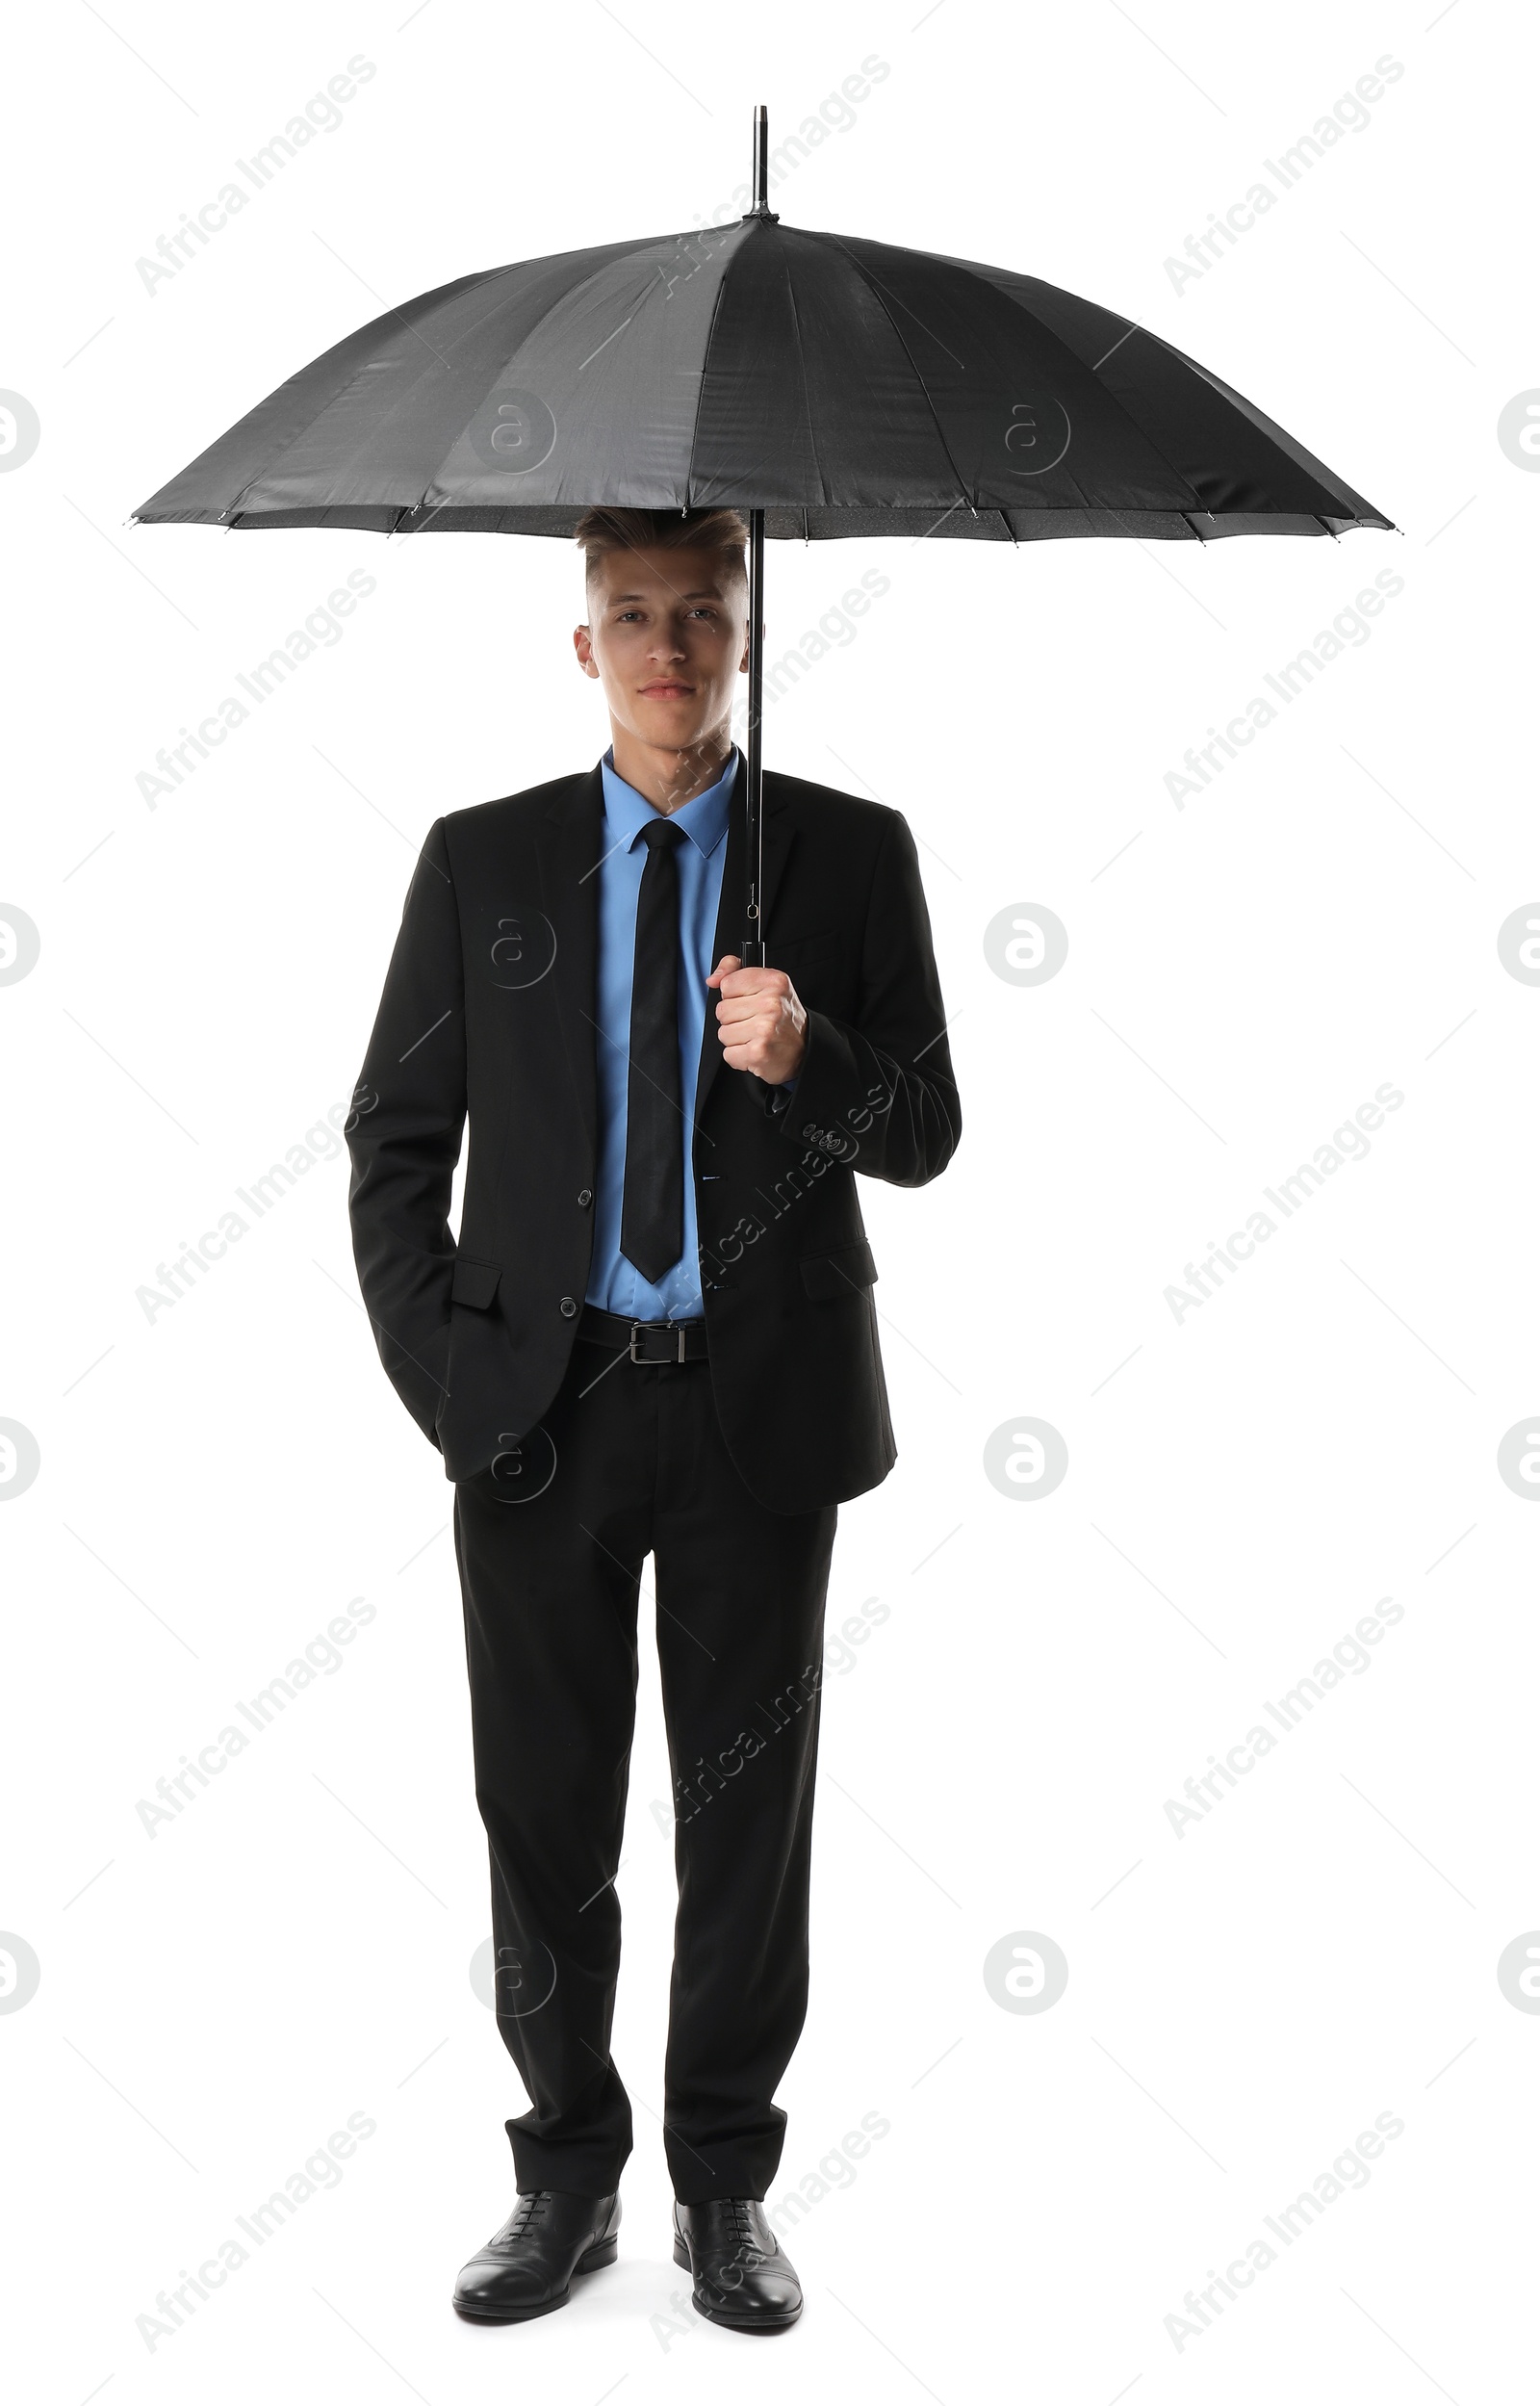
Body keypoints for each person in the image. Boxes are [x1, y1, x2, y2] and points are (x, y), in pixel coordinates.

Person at [346, 504, 961, 2331]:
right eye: (635, 615)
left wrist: (813, 1055)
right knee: (541, 1813)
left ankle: (721, 2186)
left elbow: (926, 1128)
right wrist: (454, 1386)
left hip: (760, 1419)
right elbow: (393, 1151)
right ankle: (563, 2176)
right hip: (541, 1415)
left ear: (747, 626)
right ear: (585, 642)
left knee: (746, 1813)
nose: (670, 645)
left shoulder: (846, 857)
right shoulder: (486, 862)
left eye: (703, 610)